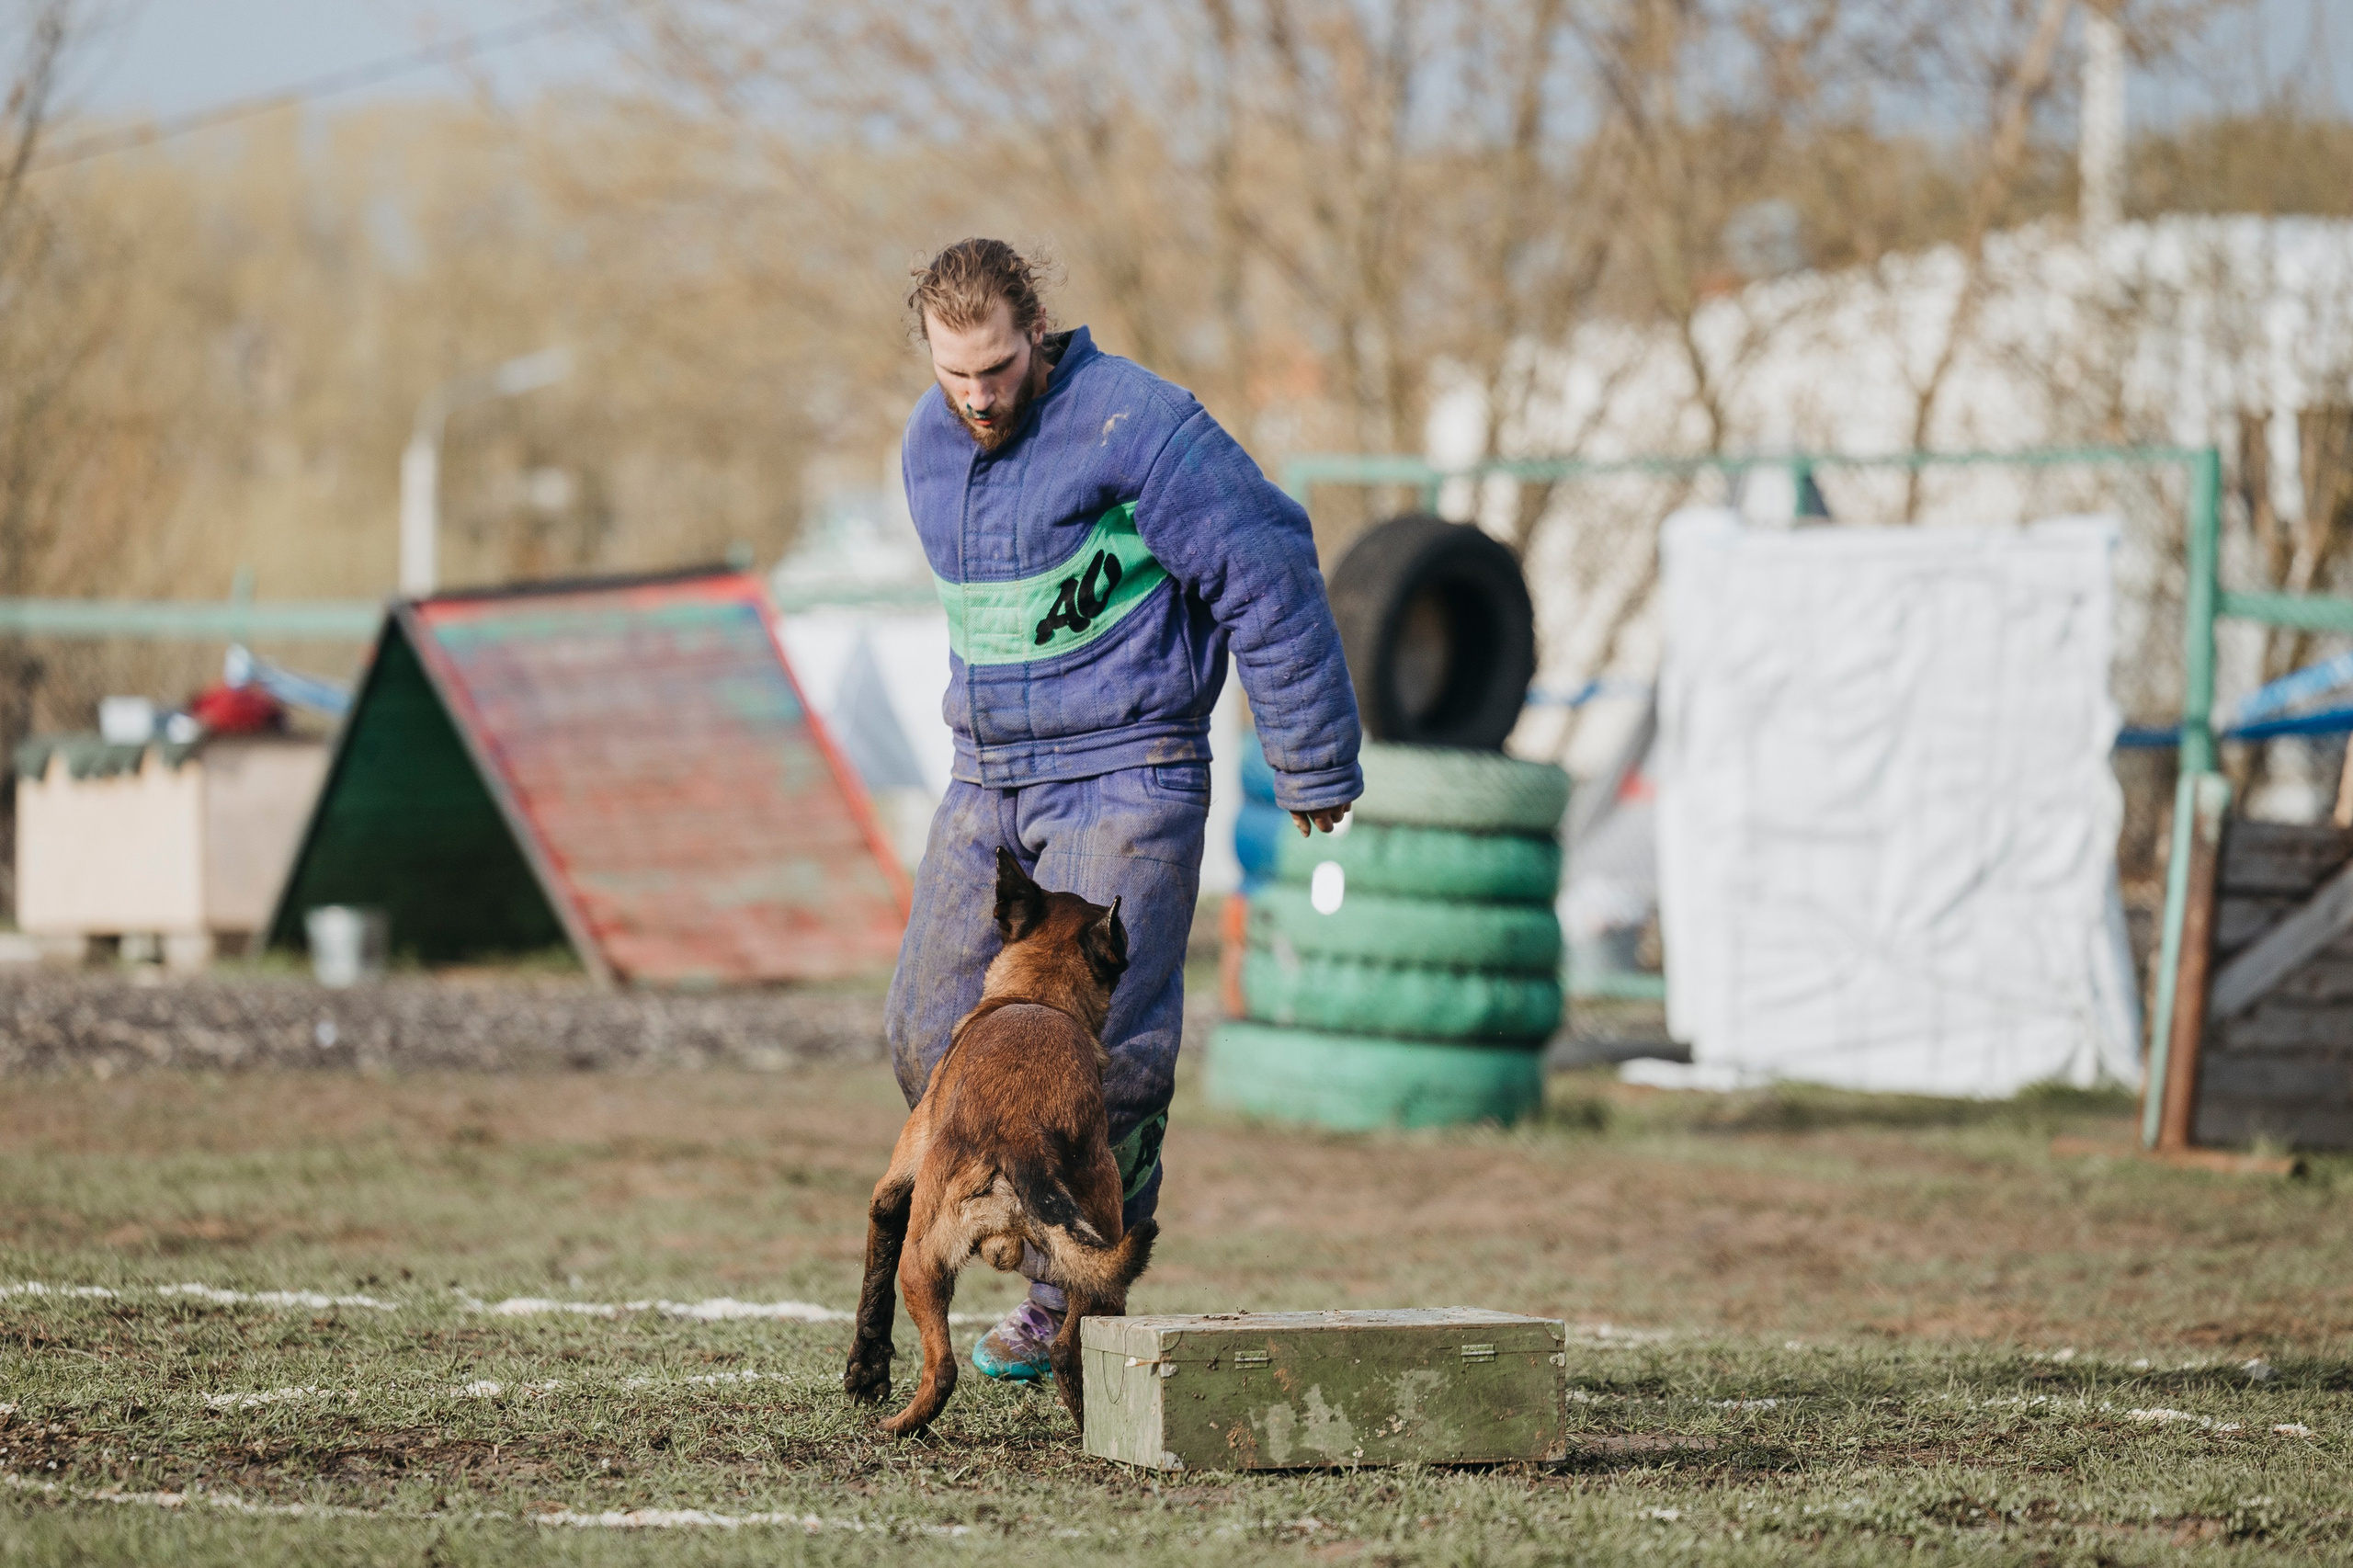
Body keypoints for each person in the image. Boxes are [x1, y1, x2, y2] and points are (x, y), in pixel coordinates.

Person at [885, 238, 1361, 1382]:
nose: (979, 397)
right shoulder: (925, 446)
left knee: (1115, 1053)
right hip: (989, 773)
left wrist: (1309, 757)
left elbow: (1266, 554)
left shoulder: (1137, 422)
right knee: (920, 1029)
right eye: (956, 375)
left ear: (1035, 327)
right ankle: (1005, 1211)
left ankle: (1070, 1289)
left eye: (997, 368)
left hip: (1129, 767)